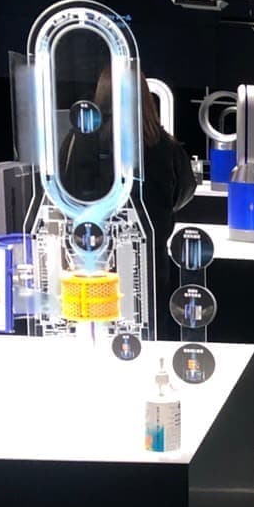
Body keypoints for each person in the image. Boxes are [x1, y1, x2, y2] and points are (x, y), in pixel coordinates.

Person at [87, 69, 196, 336]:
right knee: (151, 337)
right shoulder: (165, 146)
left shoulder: (82, 142)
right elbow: (185, 191)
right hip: (151, 262)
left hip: (94, 262)